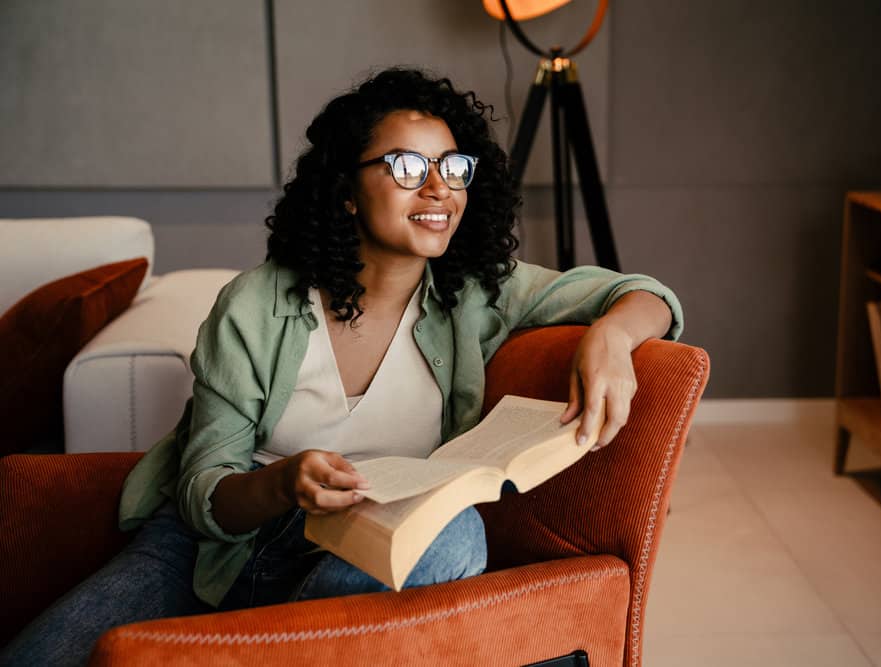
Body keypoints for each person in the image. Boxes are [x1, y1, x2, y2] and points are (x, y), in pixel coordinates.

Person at [1, 68, 682, 666]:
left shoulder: (475, 292)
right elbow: (203, 490)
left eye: (454, 167)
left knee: (455, 538)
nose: (440, 188)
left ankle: (264, 646)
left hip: (356, 554)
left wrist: (614, 339)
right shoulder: (255, 305)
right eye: (409, 167)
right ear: (348, 192)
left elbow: (645, 295)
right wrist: (283, 484)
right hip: (211, 546)